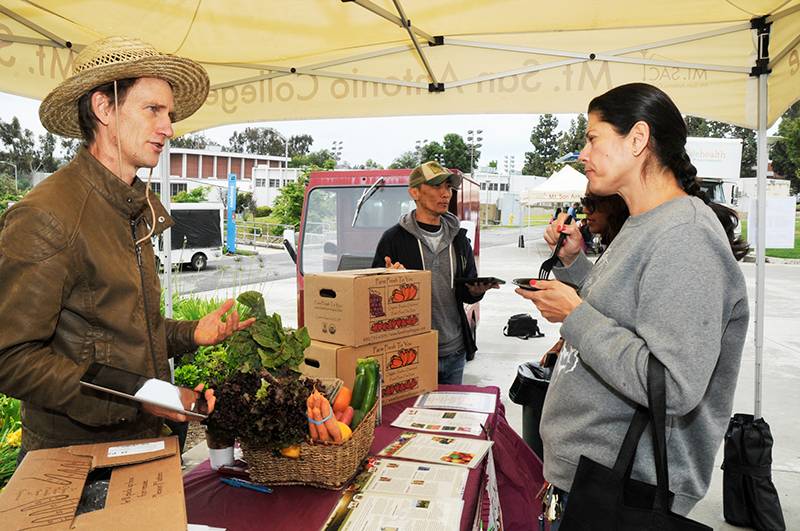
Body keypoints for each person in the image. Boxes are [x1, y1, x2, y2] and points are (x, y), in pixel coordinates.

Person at [0, 36, 254, 455]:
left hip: (140, 442)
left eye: (169, 114)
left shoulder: (129, 206)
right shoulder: (47, 214)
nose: (169, 128)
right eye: (152, 109)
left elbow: (120, 331)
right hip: (78, 459)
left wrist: (193, 332)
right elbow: (11, 357)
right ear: (104, 108)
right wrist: (141, 392)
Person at [515, 83, 749, 525]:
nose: (583, 153)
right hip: (590, 478)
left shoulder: (686, 237)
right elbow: (629, 313)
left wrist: (575, 315)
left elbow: (673, 386)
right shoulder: (645, 223)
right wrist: (573, 267)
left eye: (592, 137)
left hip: (622, 492)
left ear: (638, 139)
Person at [372, 161, 496, 385]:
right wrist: (387, 281)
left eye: (448, 187)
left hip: (454, 351)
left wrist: (477, 291)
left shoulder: (459, 238)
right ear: (415, 192)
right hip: (411, 353)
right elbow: (374, 300)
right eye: (437, 186)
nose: (445, 193)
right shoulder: (393, 239)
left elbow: (466, 292)